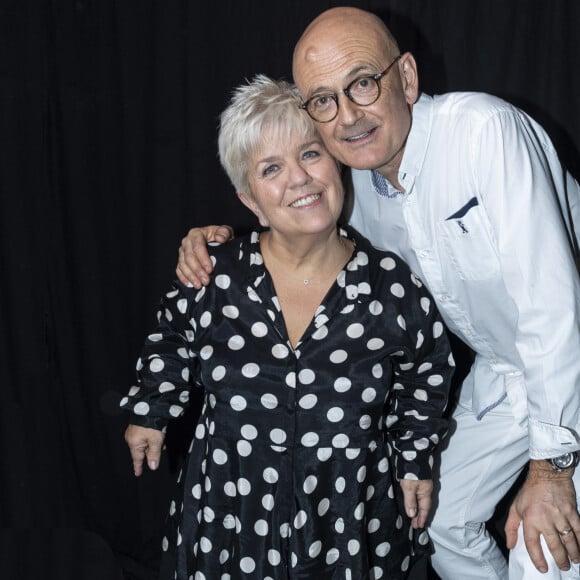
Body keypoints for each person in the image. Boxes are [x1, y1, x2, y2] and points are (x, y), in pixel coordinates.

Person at [175, 6, 580, 580]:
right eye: (324, 100)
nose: (347, 115)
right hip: (507, 370)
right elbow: (299, 235)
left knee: (544, 550)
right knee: (441, 523)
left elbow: (554, 307)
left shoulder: (484, 133)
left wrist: (551, 472)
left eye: (363, 83)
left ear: (407, 79)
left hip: (571, 349)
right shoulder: (356, 185)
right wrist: (216, 243)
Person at [121, 74, 454, 579]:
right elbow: (172, 336)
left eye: (311, 154)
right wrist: (152, 406)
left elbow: (426, 375)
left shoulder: (391, 287)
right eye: (271, 168)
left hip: (349, 521)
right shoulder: (214, 274)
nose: (298, 178)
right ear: (250, 198)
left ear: (336, 162)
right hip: (230, 516)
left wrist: (415, 461)